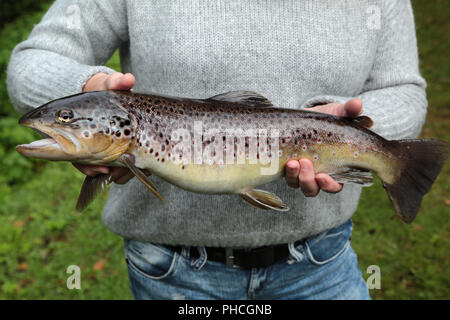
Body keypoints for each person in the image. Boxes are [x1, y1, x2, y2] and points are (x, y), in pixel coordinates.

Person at [7, 0, 426, 299]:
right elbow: (33, 62)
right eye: (66, 123)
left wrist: (339, 130)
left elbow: (403, 89)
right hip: (170, 273)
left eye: (65, 121)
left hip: (323, 264)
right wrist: (88, 89)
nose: (60, 126)